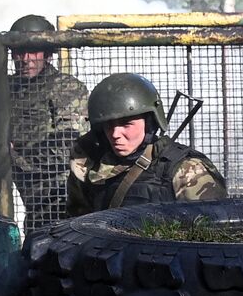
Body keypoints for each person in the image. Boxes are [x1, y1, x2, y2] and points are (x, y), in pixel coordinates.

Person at [67, 73, 227, 216]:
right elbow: (76, 223)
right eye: (109, 125)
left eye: (126, 124)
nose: (115, 134)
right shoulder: (89, 162)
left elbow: (214, 236)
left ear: (150, 123)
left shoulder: (186, 170)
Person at [0, 14, 89, 232]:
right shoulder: (7, 88)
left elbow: (69, 147)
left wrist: (14, 158)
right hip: (31, 201)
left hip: (62, 199)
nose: (26, 59)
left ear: (47, 54)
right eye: (20, 52)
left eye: (33, 51)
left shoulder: (66, 89)